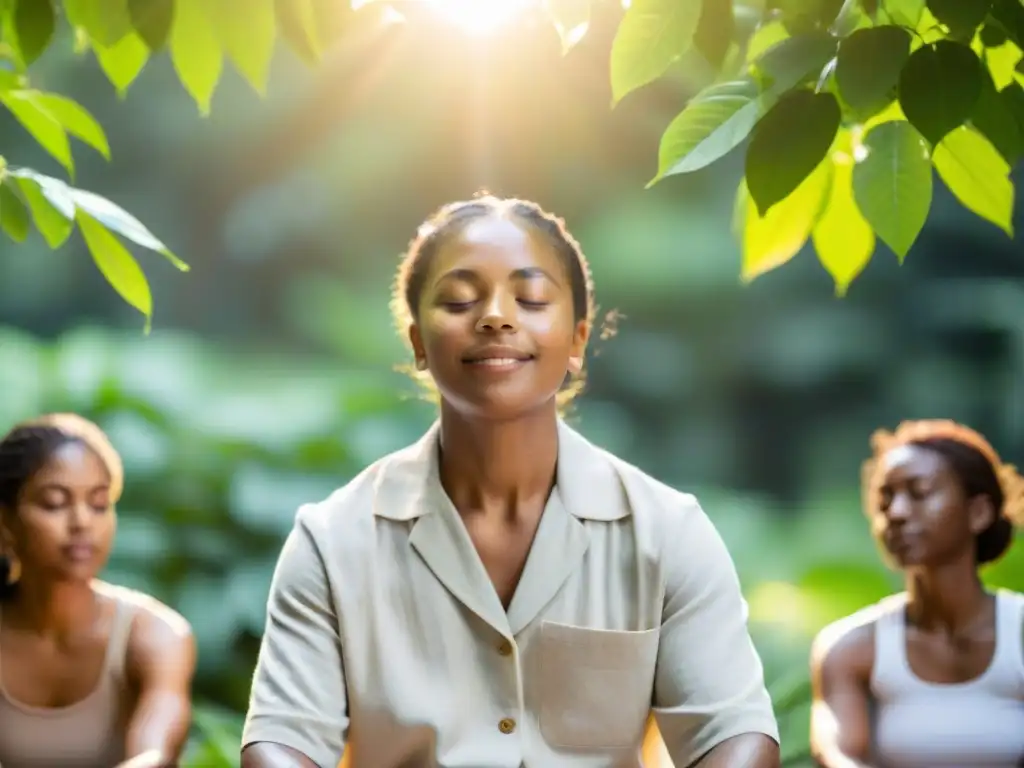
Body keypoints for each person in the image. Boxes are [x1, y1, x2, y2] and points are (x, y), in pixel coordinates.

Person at [240, 195, 780, 768]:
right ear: (418, 340)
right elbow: (283, 741)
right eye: (458, 299)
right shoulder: (331, 542)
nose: (496, 316)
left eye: (531, 298)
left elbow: (733, 732)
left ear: (576, 339)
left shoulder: (668, 534)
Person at [809, 419, 1024, 768]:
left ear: (979, 512)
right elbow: (838, 754)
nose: (895, 513)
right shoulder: (849, 649)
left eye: (919, 492)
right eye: (885, 499)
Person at [0, 412, 197, 768]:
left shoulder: (156, 635)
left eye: (98, 504)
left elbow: (156, 755)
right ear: (5, 523)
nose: (82, 522)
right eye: (55, 503)